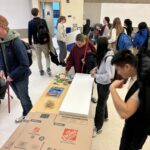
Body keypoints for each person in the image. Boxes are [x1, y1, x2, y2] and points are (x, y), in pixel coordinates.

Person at [110, 50, 149, 150]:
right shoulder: (137, 66)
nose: (118, 73)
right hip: (133, 122)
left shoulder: (141, 84)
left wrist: (112, 89)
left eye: (118, 69)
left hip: (139, 127)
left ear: (127, 67)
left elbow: (124, 113)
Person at [0, 15, 32, 122]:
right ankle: (26, 114)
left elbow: (25, 64)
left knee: (24, 98)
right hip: (10, 76)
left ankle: (30, 118)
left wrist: (12, 76)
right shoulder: (2, 41)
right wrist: (1, 69)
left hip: (20, 75)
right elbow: (1, 56)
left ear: (2, 26)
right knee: (20, 98)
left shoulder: (15, 41)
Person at [90, 37, 115, 137]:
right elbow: (101, 66)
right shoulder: (103, 54)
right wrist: (95, 69)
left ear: (101, 46)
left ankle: (98, 127)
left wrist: (96, 76)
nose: (95, 46)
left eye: (96, 44)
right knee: (102, 100)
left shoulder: (109, 58)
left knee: (100, 105)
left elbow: (110, 76)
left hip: (105, 84)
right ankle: (105, 117)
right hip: (100, 83)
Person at [28, 8, 52, 76]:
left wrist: (30, 43)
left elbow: (29, 34)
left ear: (32, 14)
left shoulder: (30, 22)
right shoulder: (43, 21)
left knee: (39, 58)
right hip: (44, 42)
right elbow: (47, 31)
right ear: (38, 12)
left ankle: (41, 70)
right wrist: (49, 41)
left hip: (36, 43)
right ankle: (48, 68)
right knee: (47, 56)